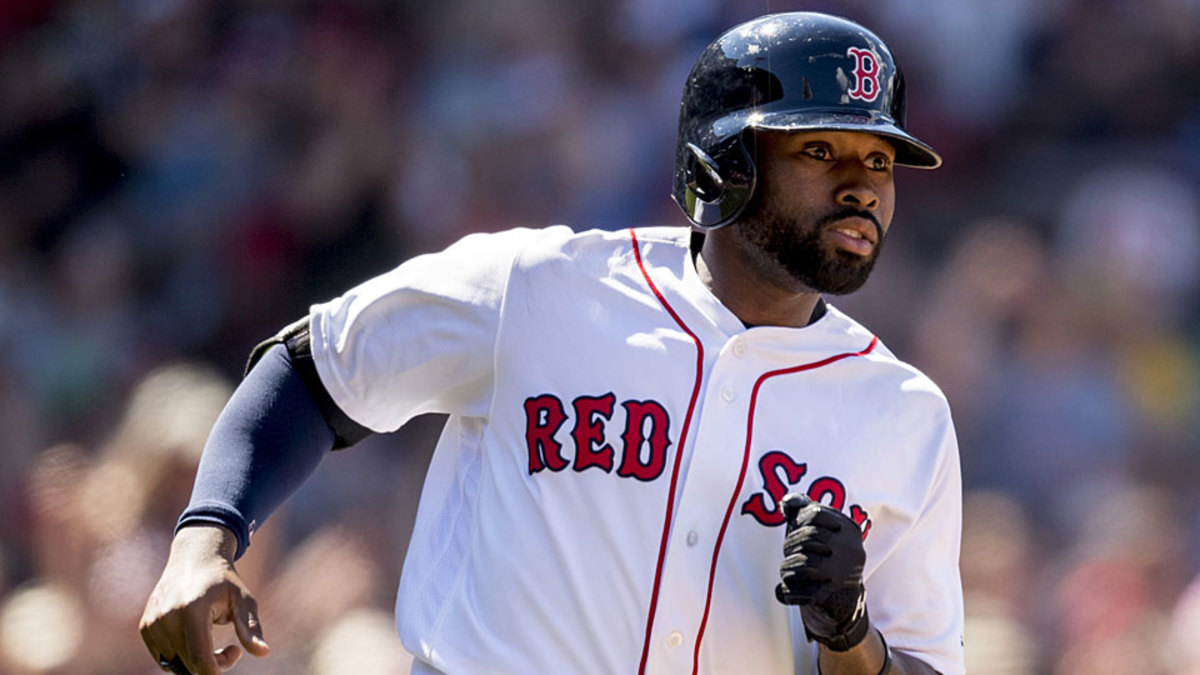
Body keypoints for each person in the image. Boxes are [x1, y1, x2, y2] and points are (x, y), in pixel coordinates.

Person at [140, 11, 964, 675]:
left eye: (881, 160)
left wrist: (851, 636)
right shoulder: (540, 285)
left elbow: (919, 665)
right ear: (723, 163)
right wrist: (203, 540)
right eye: (820, 150)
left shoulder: (904, 415)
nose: (863, 184)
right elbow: (317, 368)